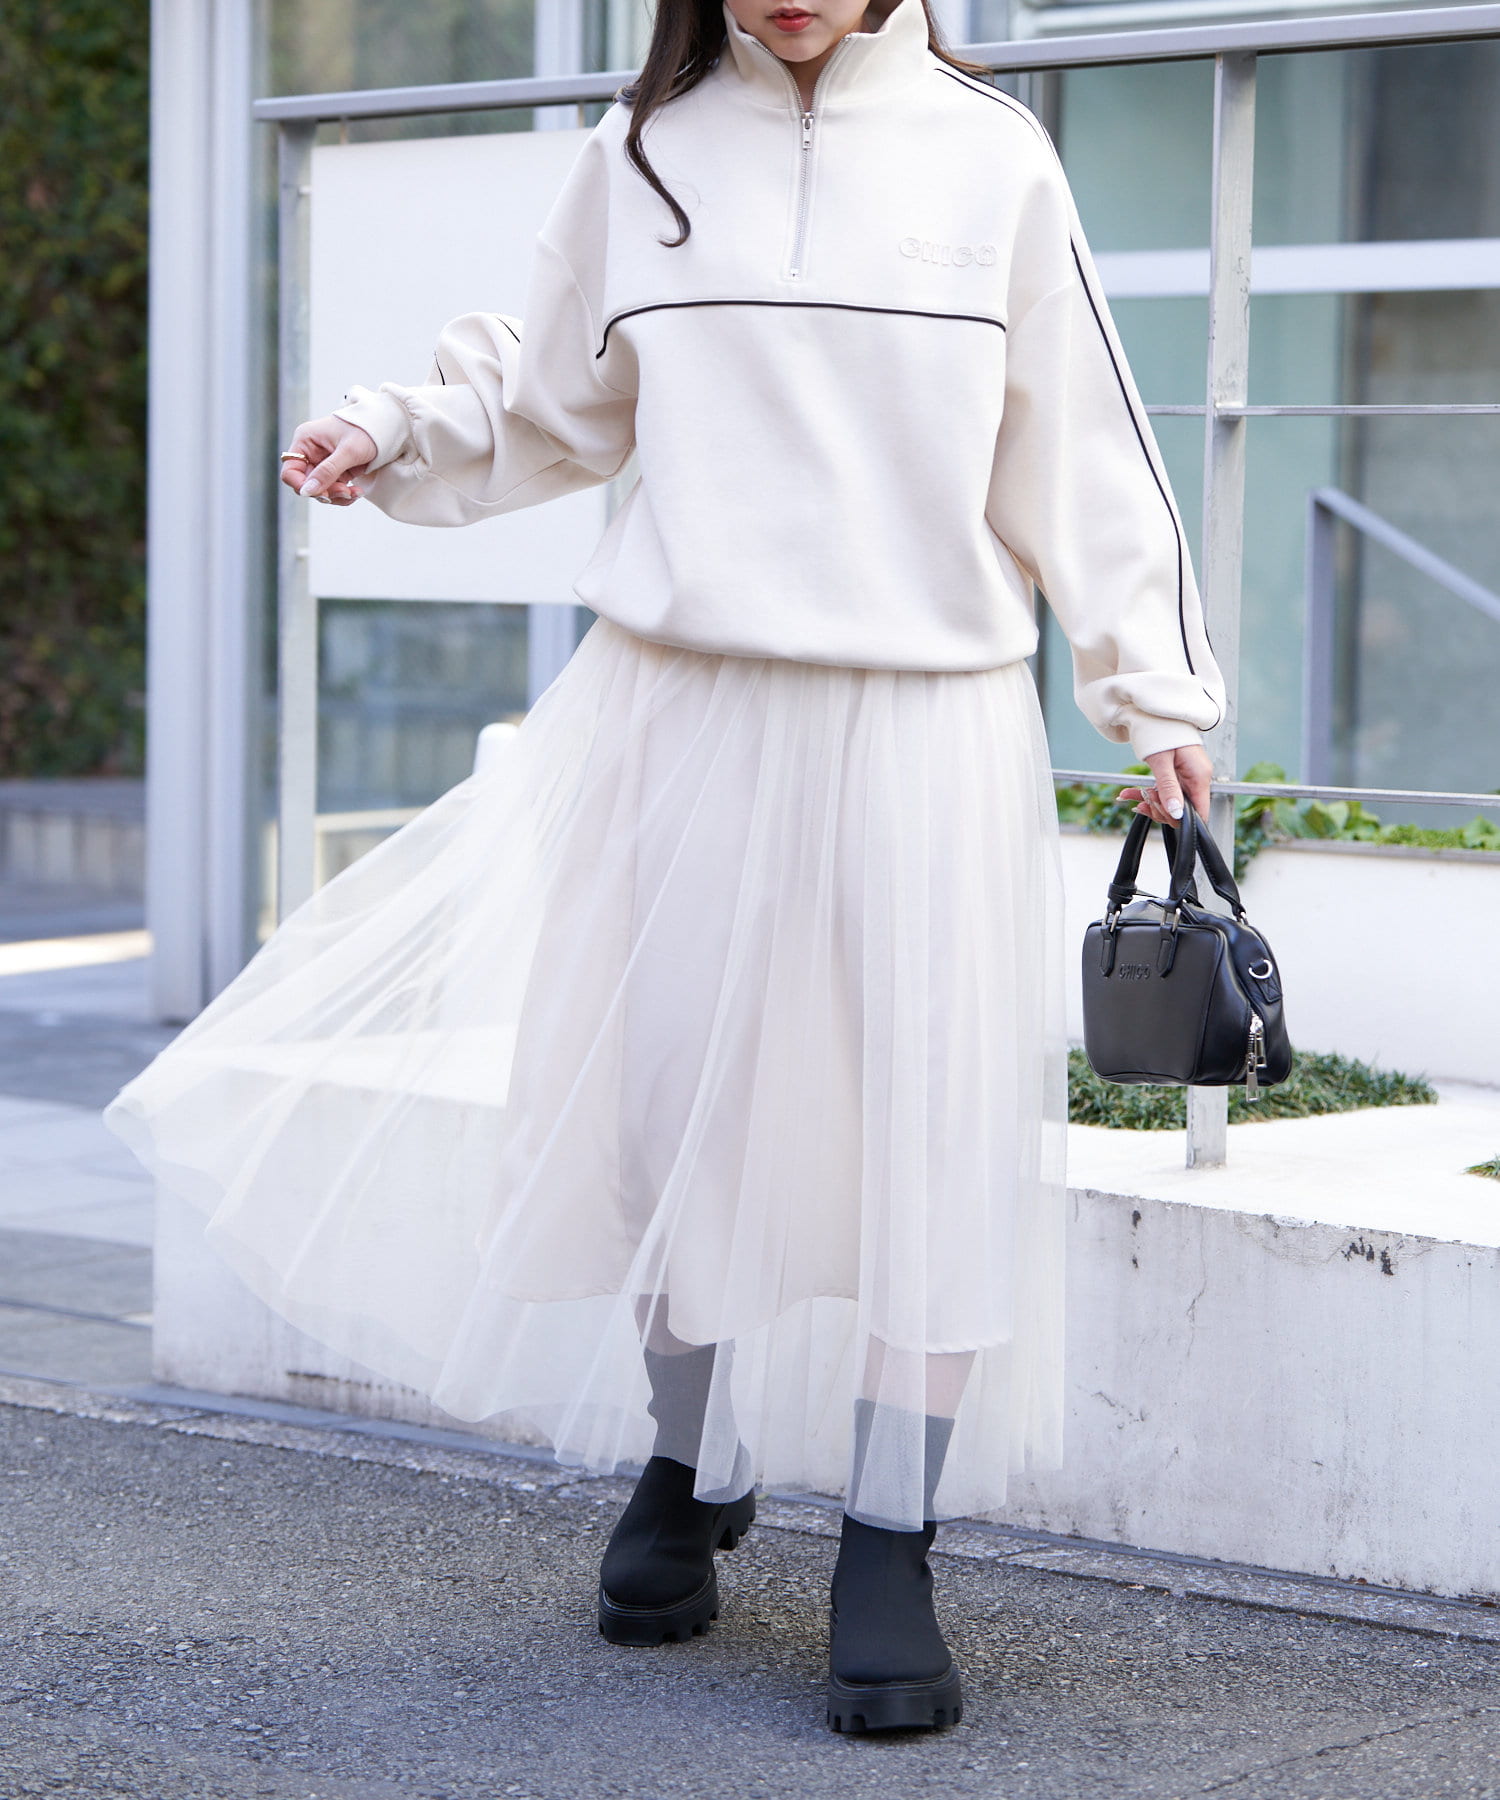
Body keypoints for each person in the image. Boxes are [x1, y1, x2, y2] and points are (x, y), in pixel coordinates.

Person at [105, 0, 1222, 1736]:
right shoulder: (642, 154)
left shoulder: (993, 159)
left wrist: (1156, 689)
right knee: (663, 1105)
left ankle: (893, 1538)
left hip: (921, 722)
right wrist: (397, 431)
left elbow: (1078, 437)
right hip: (676, 709)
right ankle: (690, 1469)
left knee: (921, 1129)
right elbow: (554, 392)